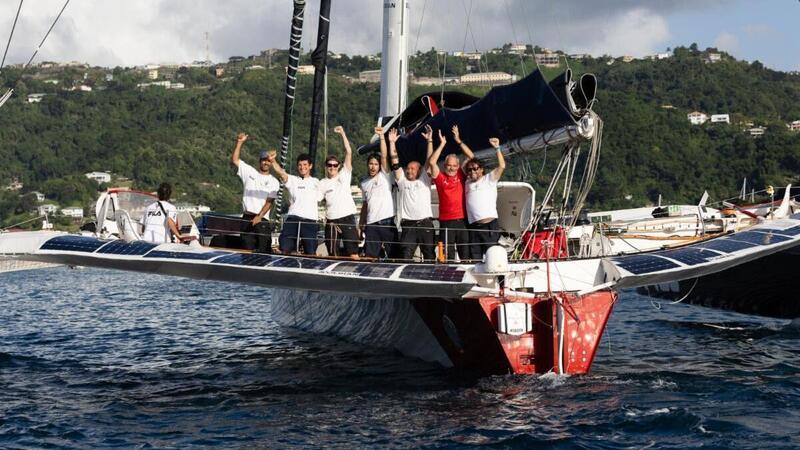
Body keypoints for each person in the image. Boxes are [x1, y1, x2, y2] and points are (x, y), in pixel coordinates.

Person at [428, 125, 475, 261]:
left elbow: (471, 157)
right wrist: (442, 144)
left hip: (462, 221)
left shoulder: (461, 174)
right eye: (449, 165)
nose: (452, 168)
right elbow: (432, 161)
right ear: (445, 165)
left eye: (455, 166)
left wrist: (458, 140)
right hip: (446, 222)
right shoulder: (440, 177)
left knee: (465, 254)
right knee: (447, 255)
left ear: (458, 166)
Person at [388, 126, 435, 261]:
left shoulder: (425, 179)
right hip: (408, 225)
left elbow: (430, 160)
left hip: (425, 224)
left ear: (420, 171)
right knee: (406, 256)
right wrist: (392, 143)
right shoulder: (402, 180)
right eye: (408, 168)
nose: (409, 171)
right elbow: (395, 161)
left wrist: (430, 141)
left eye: (413, 169)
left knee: (430, 256)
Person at [231, 132, 281, 253]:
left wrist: (259, 217)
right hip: (247, 217)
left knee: (263, 252)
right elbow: (235, 160)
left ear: (270, 163)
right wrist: (239, 142)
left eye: (268, 161)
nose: (265, 163)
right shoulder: (250, 172)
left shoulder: (274, 181)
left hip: (262, 219)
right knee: (246, 251)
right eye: (263, 160)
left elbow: (269, 202)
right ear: (260, 161)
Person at [319, 125, 359, 257]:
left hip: (348, 218)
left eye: (335, 165)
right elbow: (316, 199)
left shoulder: (344, 174)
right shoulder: (322, 183)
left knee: (353, 253)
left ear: (339, 166)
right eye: (329, 165)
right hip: (331, 221)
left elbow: (349, 152)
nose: (332, 167)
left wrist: (342, 133)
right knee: (333, 254)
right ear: (326, 167)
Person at [269, 153, 321, 255]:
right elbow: (281, 172)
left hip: (310, 220)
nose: (302, 167)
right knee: (285, 247)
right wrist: (273, 160)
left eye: (305, 165)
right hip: (293, 218)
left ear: (310, 166)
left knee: (310, 251)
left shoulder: (316, 182)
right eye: (300, 165)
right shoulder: (293, 180)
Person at [464, 137, 506, 259]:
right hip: (474, 227)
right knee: (475, 257)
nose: (473, 171)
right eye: (470, 169)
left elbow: (502, 166)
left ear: (481, 169)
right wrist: (459, 141)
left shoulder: (489, 179)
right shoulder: (467, 182)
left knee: (492, 255)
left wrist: (497, 148)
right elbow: (470, 158)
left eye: (476, 168)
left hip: (489, 226)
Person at [358, 126, 397, 258]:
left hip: (387, 223)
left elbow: (384, 156)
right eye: (370, 164)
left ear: (379, 166)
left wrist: (381, 136)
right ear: (367, 165)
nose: (373, 166)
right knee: (370, 257)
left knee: (394, 258)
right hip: (371, 224)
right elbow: (365, 205)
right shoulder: (364, 182)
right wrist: (360, 225)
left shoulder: (385, 175)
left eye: (375, 164)